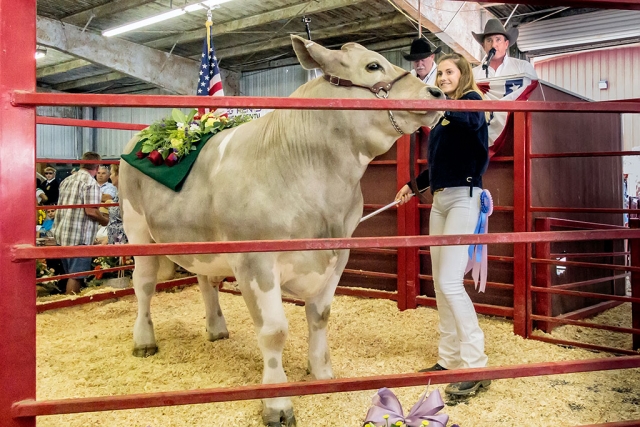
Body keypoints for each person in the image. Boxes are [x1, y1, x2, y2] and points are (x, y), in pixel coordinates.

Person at [395, 53, 490, 397]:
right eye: (441, 73)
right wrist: (413, 185)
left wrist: (442, 106)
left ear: (462, 75)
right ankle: (449, 359)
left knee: (450, 282)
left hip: (465, 196)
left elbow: (472, 123)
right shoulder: (442, 119)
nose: (444, 77)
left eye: (450, 72)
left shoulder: (471, 102)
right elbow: (439, 164)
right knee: (439, 283)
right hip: (441, 199)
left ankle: (476, 363)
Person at [53, 152, 109, 294]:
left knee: (68, 274)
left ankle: (65, 303)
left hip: (62, 234)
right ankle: (71, 305)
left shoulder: (67, 180)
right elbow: (91, 211)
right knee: (76, 276)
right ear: (97, 167)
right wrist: (106, 221)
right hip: (79, 237)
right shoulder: (90, 183)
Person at [471, 18, 537, 80]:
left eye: (498, 40)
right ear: (483, 46)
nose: (493, 45)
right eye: (489, 40)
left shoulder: (523, 67)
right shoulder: (473, 75)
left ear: (506, 44)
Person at [107, 163, 128, 245]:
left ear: (119, 175)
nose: (110, 177)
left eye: (111, 174)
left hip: (124, 240)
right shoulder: (118, 193)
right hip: (115, 239)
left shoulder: (126, 194)